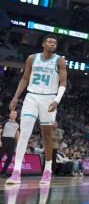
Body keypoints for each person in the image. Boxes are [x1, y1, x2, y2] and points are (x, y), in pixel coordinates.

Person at [6, 34, 68, 185]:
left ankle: (47, 170)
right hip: (31, 97)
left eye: (55, 43)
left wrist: (56, 100)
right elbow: (25, 79)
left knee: (46, 135)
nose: (53, 44)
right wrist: (15, 97)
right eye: (50, 42)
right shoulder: (32, 58)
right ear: (43, 44)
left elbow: (63, 82)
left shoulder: (59, 60)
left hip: (49, 98)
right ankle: (16, 171)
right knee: (24, 133)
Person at [0, 111, 20, 178]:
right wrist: (0, 141)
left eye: (15, 114)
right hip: (4, 140)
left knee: (10, 158)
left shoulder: (17, 124)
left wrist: (18, 144)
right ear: (9, 115)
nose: (14, 114)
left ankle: (3, 172)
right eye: (12, 113)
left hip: (12, 142)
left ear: (16, 116)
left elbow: (17, 135)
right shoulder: (4, 122)